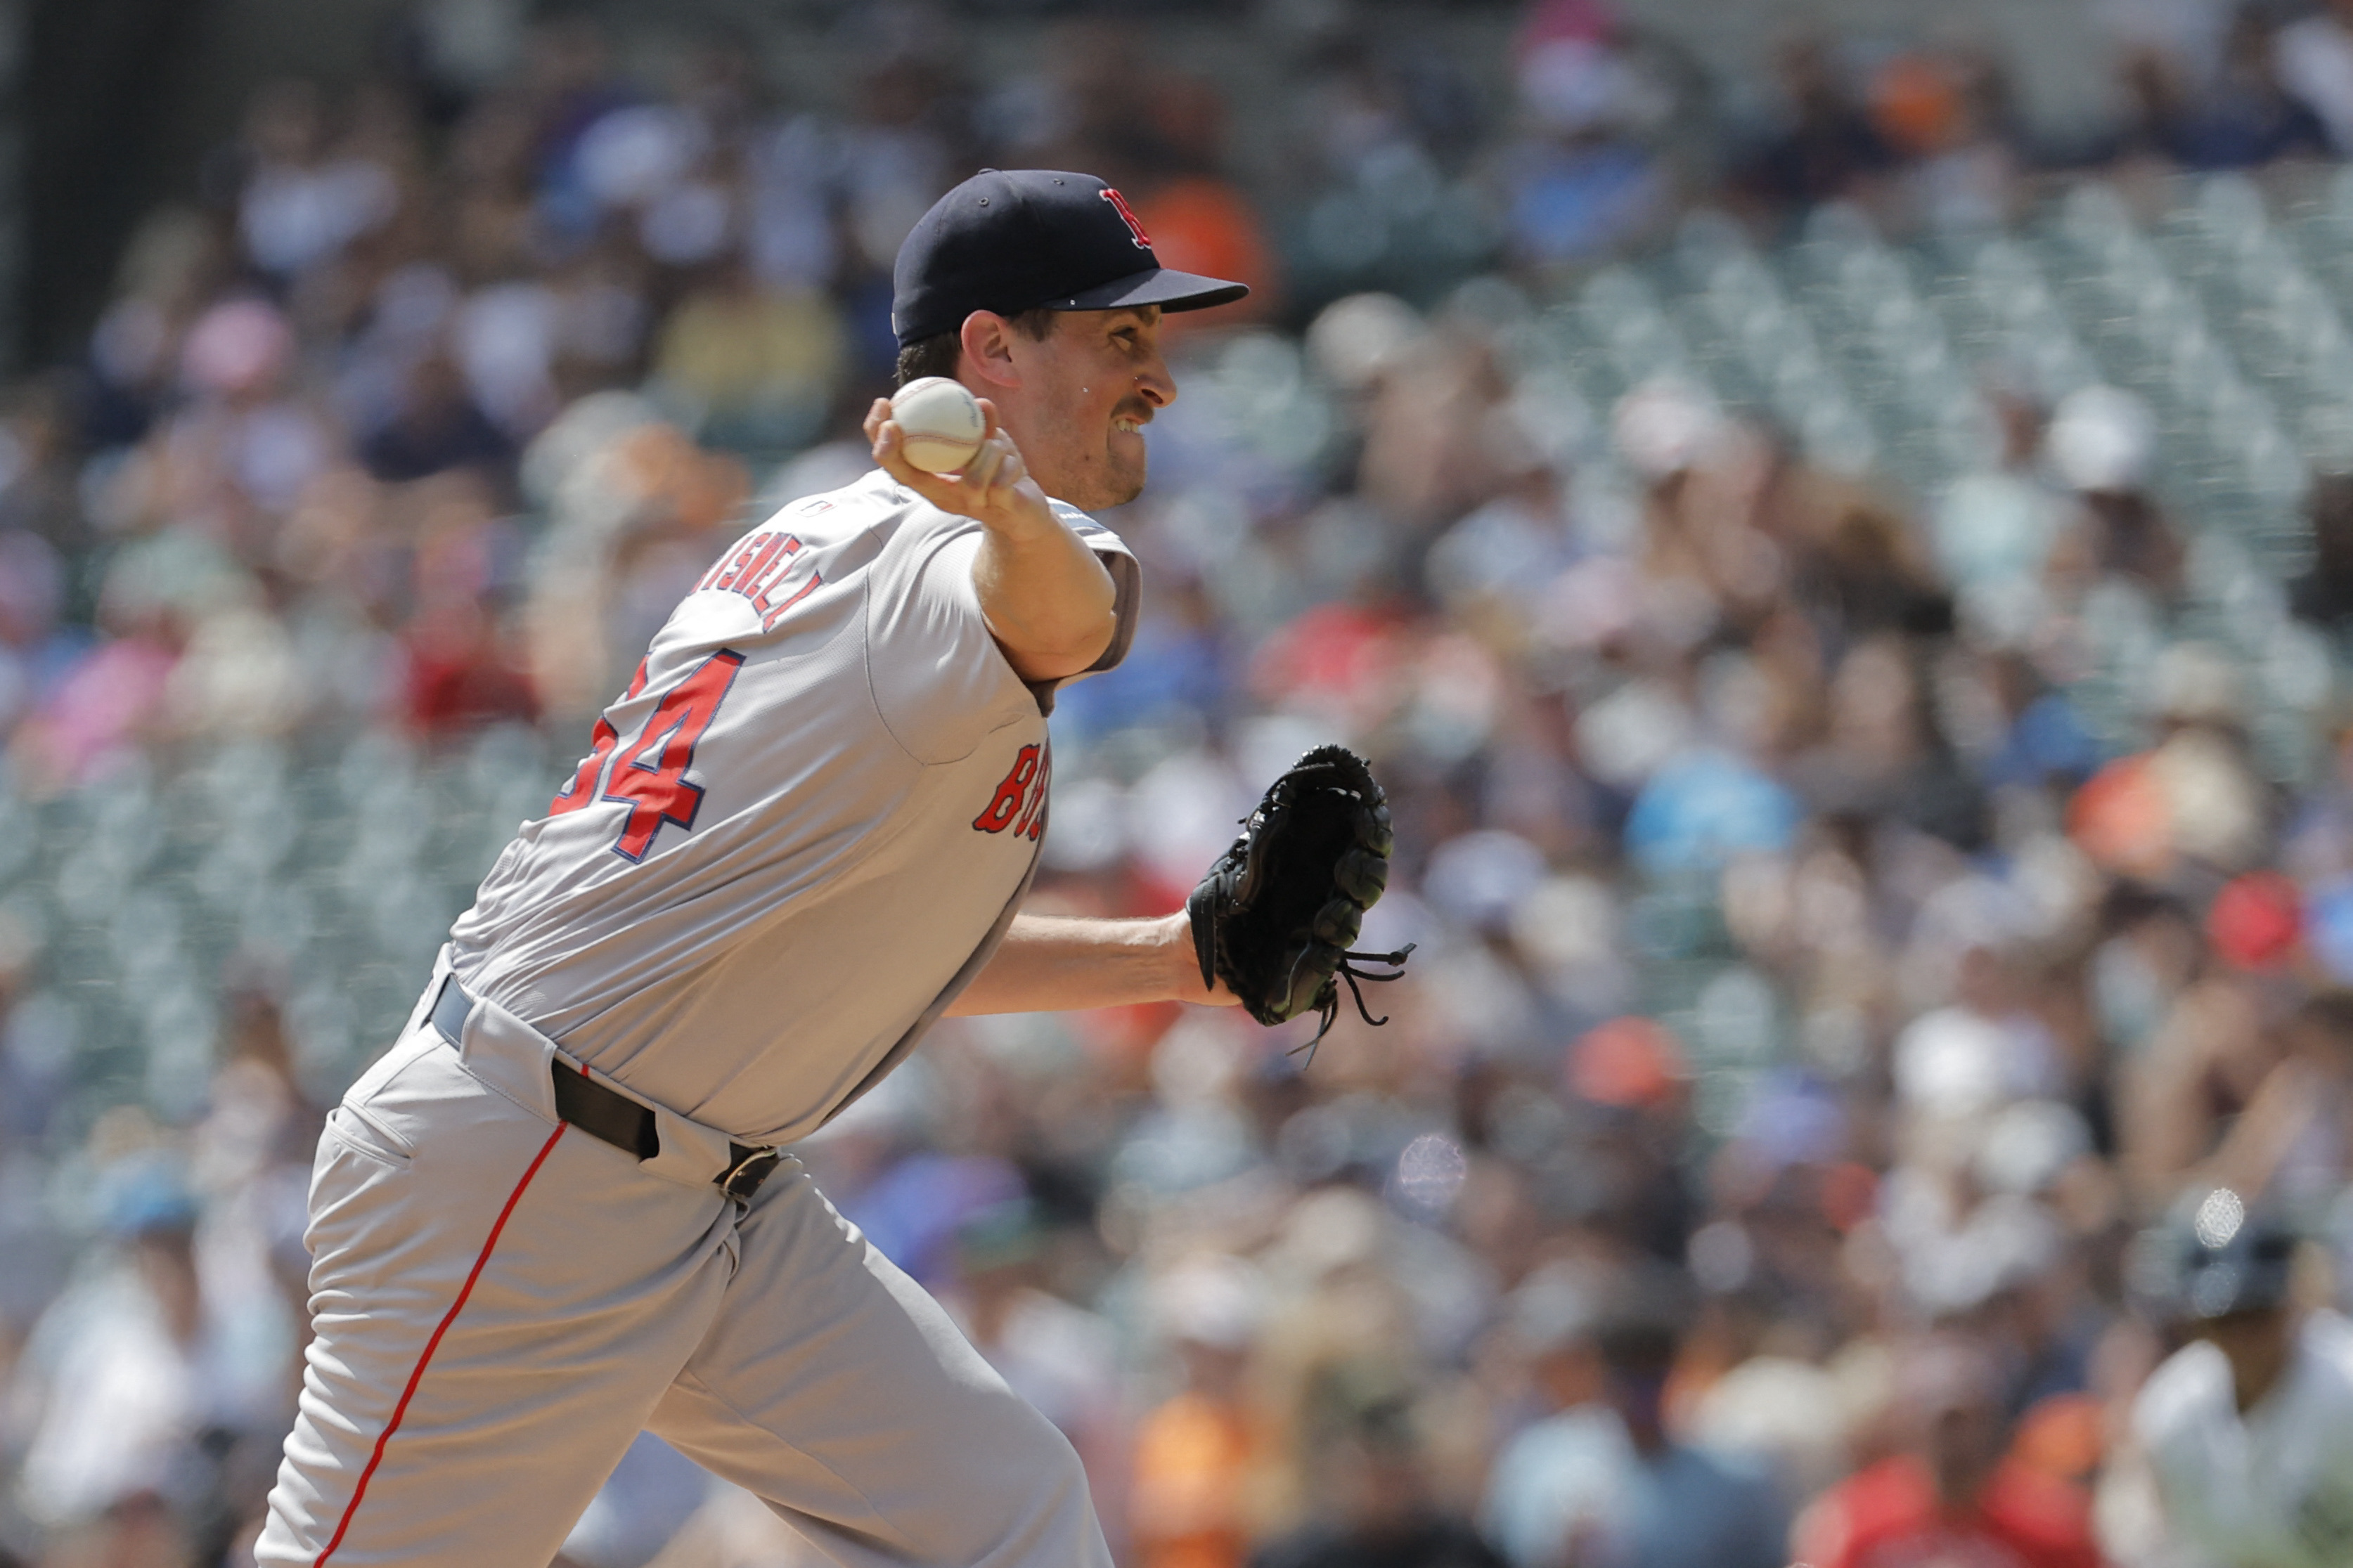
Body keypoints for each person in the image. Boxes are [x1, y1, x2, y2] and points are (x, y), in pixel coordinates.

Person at [254, 169, 1250, 1567]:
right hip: (527, 1166)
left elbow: (853, 946)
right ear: (989, 355)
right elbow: (1074, 619)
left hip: (690, 1179)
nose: (1155, 377)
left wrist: (1175, 959)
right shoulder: (947, 547)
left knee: (1010, 1517)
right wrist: (1015, 507)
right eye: (1118, 337)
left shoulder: (831, 538)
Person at [2130, 1188, 2353, 1567]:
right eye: (2226, 1319)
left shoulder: (2344, 1387)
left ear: (2291, 1300)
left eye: (2257, 1313)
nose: (2243, 1337)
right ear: (2198, 1323)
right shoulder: (2173, 1411)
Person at [1792, 1335, 2101, 1568]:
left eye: (1974, 1421)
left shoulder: (2053, 1522)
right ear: (1909, 1426)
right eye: (1945, 1424)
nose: (1960, 1441)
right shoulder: (1851, 1524)